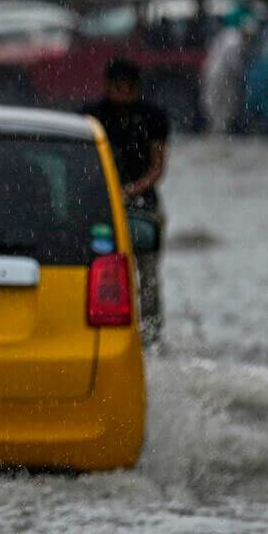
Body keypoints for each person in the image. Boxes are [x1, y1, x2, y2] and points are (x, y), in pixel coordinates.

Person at [80, 59, 171, 346]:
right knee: (97, 270)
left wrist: (131, 191)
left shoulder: (153, 118)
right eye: (116, 88)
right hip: (99, 204)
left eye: (127, 89)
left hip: (144, 206)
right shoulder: (91, 117)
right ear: (107, 87)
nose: (121, 95)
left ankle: (150, 337)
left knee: (148, 275)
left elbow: (158, 166)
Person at [200, 10, 251, 134]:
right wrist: (243, 75)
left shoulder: (227, 34)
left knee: (213, 102)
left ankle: (216, 129)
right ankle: (219, 130)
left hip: (212, 71)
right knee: (223, 104)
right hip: (222, 75)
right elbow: (233, 63)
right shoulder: (235, 40)